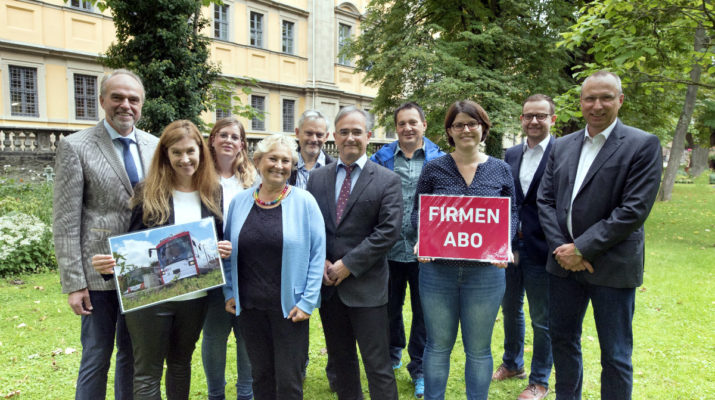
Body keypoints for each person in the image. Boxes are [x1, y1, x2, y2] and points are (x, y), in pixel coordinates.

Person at [537, 71, 662, 400]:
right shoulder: (561, 146)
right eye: (590, 98)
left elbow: (633, 210)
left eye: (606, 97)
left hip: (612, 266)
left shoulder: (642, 145)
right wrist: (564, 251)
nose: (597, 105)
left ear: (620, 100)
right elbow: (546, 201)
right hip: (563, 268)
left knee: (616, 355)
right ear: (580, 103)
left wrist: (583, 249)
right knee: (563, 343)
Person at [92, 120, 232, 400]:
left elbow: (214, 241)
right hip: (150, 300)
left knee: (181, 364)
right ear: (165, 155)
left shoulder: (212, 191)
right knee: (147, 372)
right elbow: (131, 245)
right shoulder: (148, 191)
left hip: (195, 296)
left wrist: (222, 248)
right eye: (176, 152)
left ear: (201, 153)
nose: (185, 159)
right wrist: (109, 266)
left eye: (191, 151)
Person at [53, 68, 158, 400]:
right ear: (102, 101)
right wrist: (74, 283)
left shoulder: (155, 146)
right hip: (97, 274)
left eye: (133, 99)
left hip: (141, 271)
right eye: (117, 97)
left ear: (141, 105)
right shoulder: (76, 146)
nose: (125, 105)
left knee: (132, 356)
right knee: (97, 356)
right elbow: (65, 221)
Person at [412, 100, 517, 400]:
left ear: (483, 128)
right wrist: (421, 238)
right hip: (437, 272)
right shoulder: (434, 168)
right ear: (449, 131)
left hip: (485, 274)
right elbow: (419, 212)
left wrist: (505, 244)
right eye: (459, 124)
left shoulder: (501, 169)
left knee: (479, 349)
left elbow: (511, 214)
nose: (466, 129)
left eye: (473, 123)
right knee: (437, 345)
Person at [306, 106, 403, 400]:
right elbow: (312, 226)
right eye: (344, 132)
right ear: (333, 136)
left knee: (378, 365)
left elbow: (388, 232)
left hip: (367, 288)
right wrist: (320, 260)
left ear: (368, 136)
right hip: (330, 289)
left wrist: (347, 265)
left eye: (357, 132)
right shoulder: (317, 179)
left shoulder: (387, 180)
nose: (350, 137)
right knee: (342, 363)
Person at [223, 134, 325, 400]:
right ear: (258, 162)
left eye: (286, 161)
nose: (279, 165)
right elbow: (227, 253)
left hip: (290, 308)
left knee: (289, 382)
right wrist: (229, 292)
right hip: (250, 307)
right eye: (273, 159)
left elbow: (317, 255)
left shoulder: (305, 202)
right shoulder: (239, 202)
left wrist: (307, 302)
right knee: (261, 376)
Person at [371, 102, 445, 398]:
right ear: (396, 127)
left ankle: (420, 369)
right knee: (388, 308)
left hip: (425, 251)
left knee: (424, 313)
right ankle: (391, 355)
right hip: (388, 250)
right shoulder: (381, 157)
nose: (407, 128)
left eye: (413, 122)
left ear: (424, 125)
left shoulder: (441, 159)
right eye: (402, 123)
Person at [493, 95, 556, 400]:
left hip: (544, 246)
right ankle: (512, 364)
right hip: (510, 244)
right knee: (510, 308)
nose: (533, 121)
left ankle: (539, 381)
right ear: (521, 119)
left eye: (540, 116)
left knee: (542, 317)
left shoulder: (562, 152)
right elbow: (507, 199)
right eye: (528, 115)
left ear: (551, 120)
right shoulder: (511, 154)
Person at [202, 117, 257, 400]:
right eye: (222, 135)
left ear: (242, 145)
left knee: (246, 334)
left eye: (234, 137)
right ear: (212, 139)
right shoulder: (198, 176)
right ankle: (215, 395)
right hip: (211, 269)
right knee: (215, 334)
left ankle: (246, 394)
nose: (228, 140)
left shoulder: (252, 179)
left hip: (247, 269)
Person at [289, 109, 335, 189]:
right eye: (309, 133)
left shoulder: (336, 168)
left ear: (326, 137)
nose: (314, 139)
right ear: (297, 133)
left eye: (319, 135)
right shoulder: (285, 165)